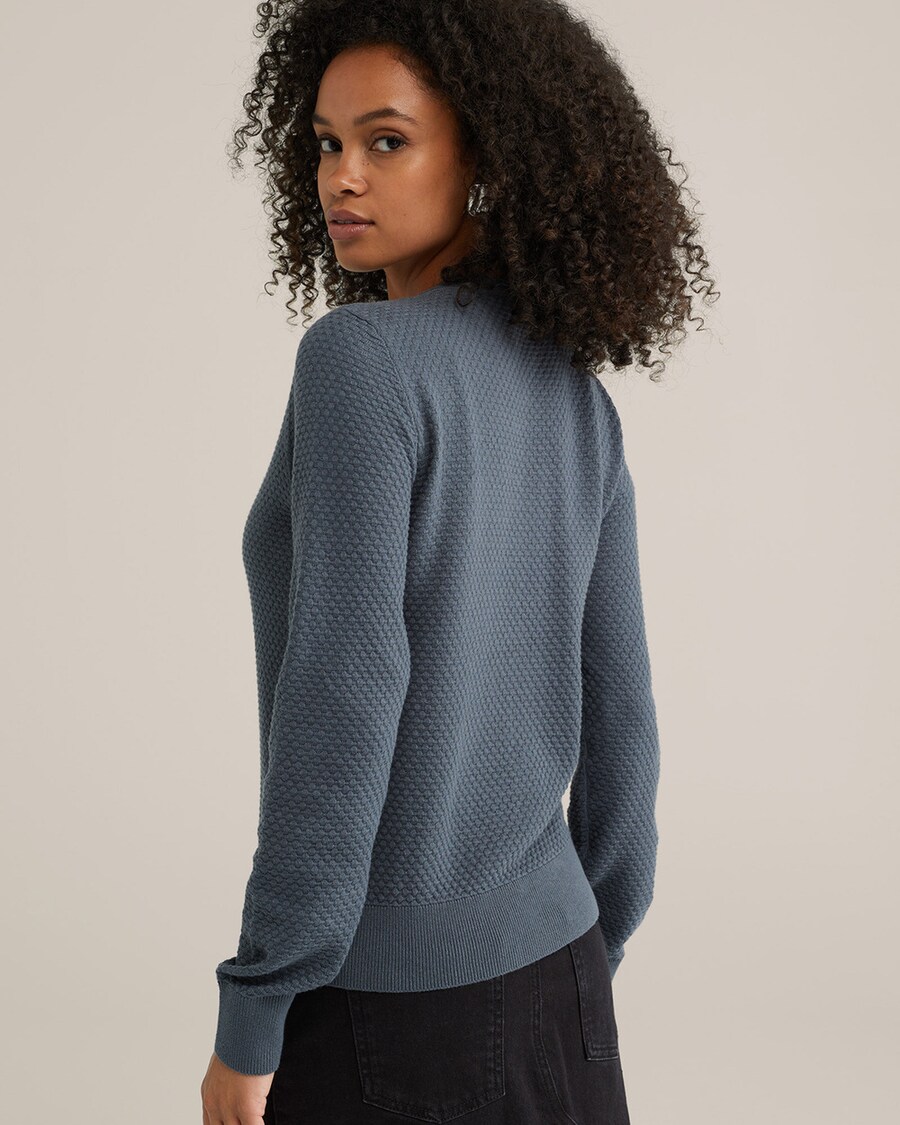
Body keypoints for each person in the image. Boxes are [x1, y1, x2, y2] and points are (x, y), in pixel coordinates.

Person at [200, 1, 717, 1122]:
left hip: (386, 1008)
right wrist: (581, 946)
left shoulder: (358, 363)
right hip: (564, 976)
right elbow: (623, 712)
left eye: (386, 140)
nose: (341, 177)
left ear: (485, 154)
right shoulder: (573, 392)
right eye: (326, 142)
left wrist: (260, 998)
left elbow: (343, 689)